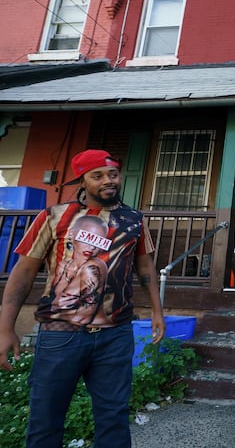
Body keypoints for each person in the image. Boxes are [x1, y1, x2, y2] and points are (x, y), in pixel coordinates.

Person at [0, 149, 166, 448]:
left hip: (115, 335)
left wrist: (157, 311)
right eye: (98, 175)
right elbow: (23, 273)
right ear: (82, 180)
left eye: (113, 174)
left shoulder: (133, 220)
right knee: (45, 420)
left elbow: (145, 268)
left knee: (114, 419)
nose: (108, 180)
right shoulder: (53, 217)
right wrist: (5, 328)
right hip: (60, 335)